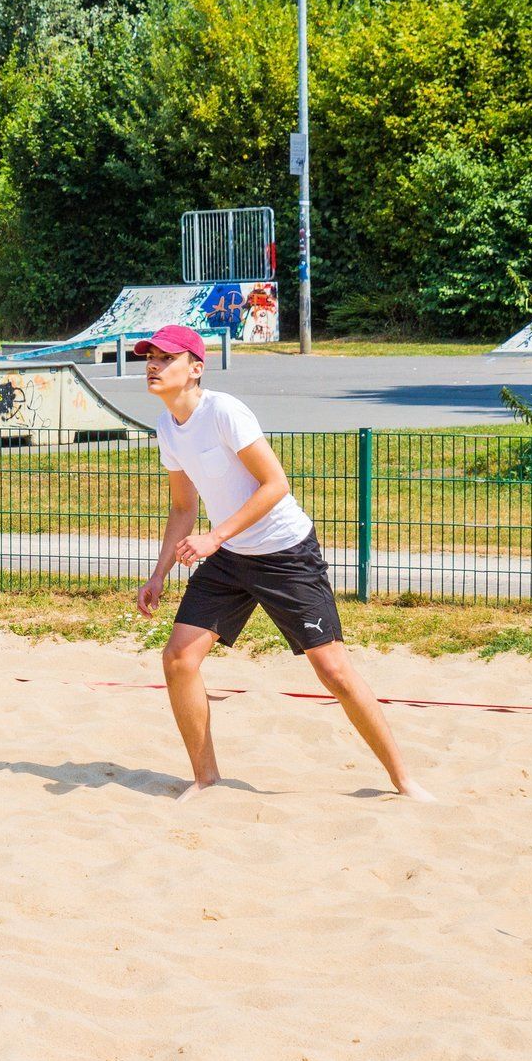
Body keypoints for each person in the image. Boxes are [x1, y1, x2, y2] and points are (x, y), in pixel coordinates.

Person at [132, 324, 433, 803]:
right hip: (230, 556)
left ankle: (404, 781)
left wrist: (214, 537)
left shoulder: (224, 411)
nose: (153, 364)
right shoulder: (168, 426)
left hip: (285, 552)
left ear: (195, 368)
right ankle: (206, 779)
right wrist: (158, 573)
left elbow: (276, 485)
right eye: (150, 357)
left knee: (333, 670)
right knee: (179, 659)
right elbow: (183, 507)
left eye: (166, 358)